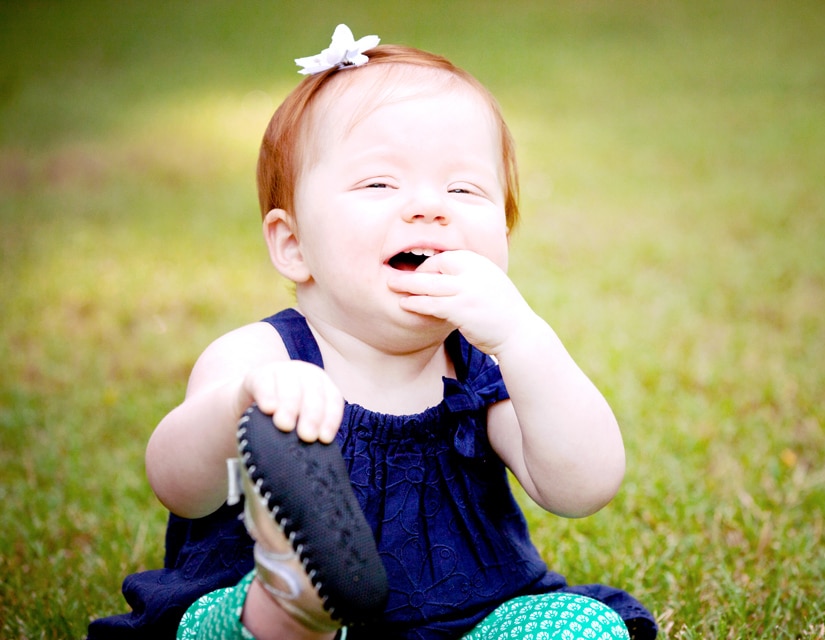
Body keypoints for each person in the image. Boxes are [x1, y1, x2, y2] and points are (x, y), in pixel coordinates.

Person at [88, 24, 658, 640]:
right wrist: (241, 406)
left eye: (463, 188)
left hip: (465, 621)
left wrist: (525, 338)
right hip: (263, 610)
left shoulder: (481, 372)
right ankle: (290, 602)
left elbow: (583, 486)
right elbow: (177, 486)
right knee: (215, 623)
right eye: (379, 183)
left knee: (584, 625)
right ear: (294, 244)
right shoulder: (263, 357)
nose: (429, 207)